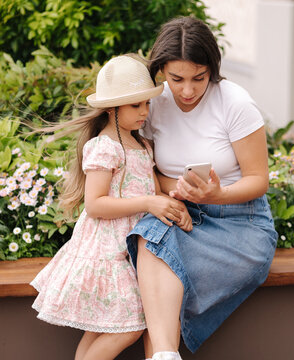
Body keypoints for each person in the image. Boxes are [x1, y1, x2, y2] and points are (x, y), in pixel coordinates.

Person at [126, 17, 279, 360]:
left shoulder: (235, 103)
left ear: (213, 68)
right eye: (176, 79)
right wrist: (175, 191)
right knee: (152, 234)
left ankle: (163, 354)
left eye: (200, 78)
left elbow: (258, 180)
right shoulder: (152, 105)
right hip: (181, 212)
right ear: (161, 69)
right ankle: (166, 355)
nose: (188, 91)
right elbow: (148, 171)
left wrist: (218, 195)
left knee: (161, 272)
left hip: (240, 223)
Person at [30, 55, 192, 360]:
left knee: (104, 327)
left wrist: (173, 208)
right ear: (110, 108)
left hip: (136, 247)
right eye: (135, 105)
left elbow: (154, 192)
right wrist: (147, 202)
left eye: (146, 103)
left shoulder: (142, 145)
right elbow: (95, 204)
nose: (144, 111)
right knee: (130, 326)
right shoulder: (105, 147)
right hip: (108, 249)